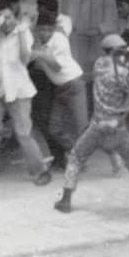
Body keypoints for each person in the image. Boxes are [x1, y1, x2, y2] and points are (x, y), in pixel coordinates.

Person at [53, 35, 129, 221]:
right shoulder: (122, 73)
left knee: (76, 158)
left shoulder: (99, 65)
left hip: (97, 124)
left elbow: (116, 65)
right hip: (117, 126)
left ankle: (65, 200)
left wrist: (128, 56)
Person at [0, 2, 52, 185]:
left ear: (15, 18)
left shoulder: (23, 33)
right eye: (1, 18)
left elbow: (24, 59)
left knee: (23, 133)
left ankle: (41, 171)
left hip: (20, 90)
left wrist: (21, 31)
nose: (6, 22)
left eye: (9, 17)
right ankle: (8, 136)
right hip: (0, 90)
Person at [30, 14, 87, 169]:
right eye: (42, 29)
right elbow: (30, 61)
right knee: (54, 129)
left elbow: (57, 67)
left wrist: (39, 53)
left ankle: (112, 157)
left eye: (49, 30)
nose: (46, 33)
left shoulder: (60, 40)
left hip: (75, 85)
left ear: (54, 29)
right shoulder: (35, 41)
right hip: (60, 88)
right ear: (36, 30)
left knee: (83, 128)